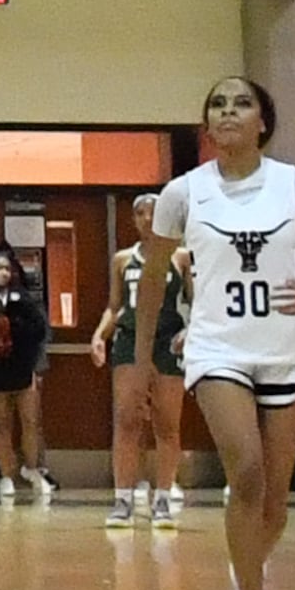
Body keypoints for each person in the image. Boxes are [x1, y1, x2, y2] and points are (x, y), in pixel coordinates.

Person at [135, 76, 295, 590]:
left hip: (282, 348)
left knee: (274, 503)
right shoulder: (183, 192)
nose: (227, 112)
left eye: (240, 103)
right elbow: (152, 278)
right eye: (217, 104)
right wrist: (144, 357)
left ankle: (243, 561)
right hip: (217, 347)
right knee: (244, 471)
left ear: (262, 122)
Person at [96, 197, 185, 526]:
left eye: (154, 213)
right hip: (131, 340)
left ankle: (162, 498)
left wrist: (190, 331)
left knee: (167, 421)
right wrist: (98, 335)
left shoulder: (181, 257)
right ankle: (122, 499)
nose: (147, 219)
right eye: (140, 213)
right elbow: (114, 305)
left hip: (168, 342)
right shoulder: (123, 260)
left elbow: (197, 301)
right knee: (126, 419)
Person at [0, 248, 51, 501]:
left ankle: (33, 469)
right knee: (2, 423)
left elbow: (39, 330)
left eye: (7, 268)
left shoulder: (24, 297)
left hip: (22, 367)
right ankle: (6, 475)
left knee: (30, 421)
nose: (3, 273)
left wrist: (15, 330)